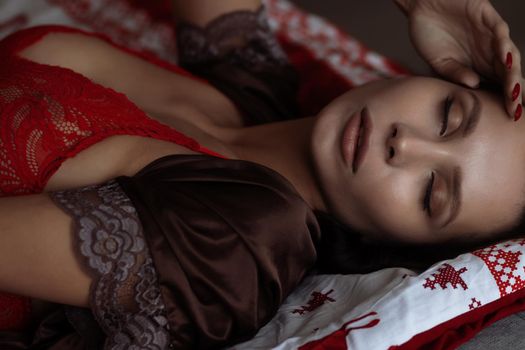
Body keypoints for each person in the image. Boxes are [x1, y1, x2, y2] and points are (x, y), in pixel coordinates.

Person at [0, 0, 523, 348]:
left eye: (432, 192)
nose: (404, 143)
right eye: (448, 115)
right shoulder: (252, 88)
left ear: (398, 245)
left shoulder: (243, 240)